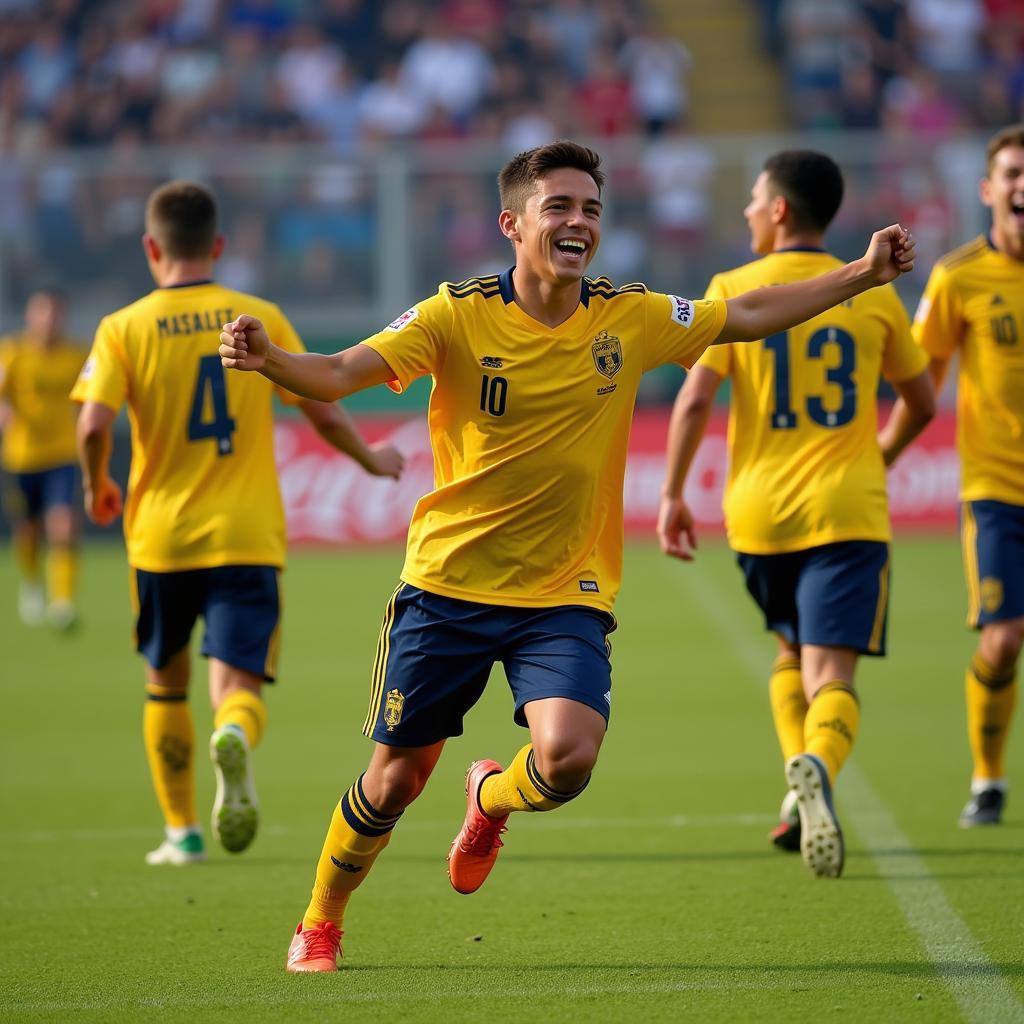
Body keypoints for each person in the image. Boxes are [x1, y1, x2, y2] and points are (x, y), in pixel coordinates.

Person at [217, 140, 916, 970]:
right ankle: (320, 918)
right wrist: (271, 363)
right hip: (447, 589)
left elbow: (750, 317)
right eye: (560, 207)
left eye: (590, 207)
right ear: (513, 224)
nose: (579, 221)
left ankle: (491, 796)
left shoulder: (631, 314)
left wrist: (862, 276)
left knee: (569, 758)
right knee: (394, 783)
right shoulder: (453, 315)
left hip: (563, 593)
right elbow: (337, 372)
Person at [71, 181, 405, 867]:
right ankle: (234, 733)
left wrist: (95, 481)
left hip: (159, 536)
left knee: (164, 681)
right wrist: (370, 460)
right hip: (247, 532)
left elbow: (91, 424)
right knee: (239, 689)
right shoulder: (259, 316)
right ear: (218, 245)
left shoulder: (123, 327)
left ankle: (181, 833)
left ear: (150, 247)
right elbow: (322, 406)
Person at [656, 150, 935, 880]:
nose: (747, 210)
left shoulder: (732, 287)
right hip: (846, 507)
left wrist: (672, 492)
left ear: (779, 210)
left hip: (759, 512)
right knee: (832, 672)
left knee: (788, 653)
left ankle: (794, 790)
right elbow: (923, 400)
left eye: (753, 198)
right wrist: (882, 454)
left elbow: (693, 399)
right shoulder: (873, 289)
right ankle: (816, 764)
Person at [888, 124, 1024, 828]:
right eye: (1013, 173)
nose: (1022, 186)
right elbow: (920, 378)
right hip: (999, 489)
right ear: (990, 188)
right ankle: (989, 778)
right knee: (1002, 642)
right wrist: (879, 458)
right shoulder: (961, 276)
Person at [0, 289, 87, 630]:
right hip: (21, 458)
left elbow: (89, 396)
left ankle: (63, 601)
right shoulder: (13, 353)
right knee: (28, 530)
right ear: (30, 316)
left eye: (54, 312)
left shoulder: (75, 355)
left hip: (61, 455)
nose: (48, 320)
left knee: (62, 523)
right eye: (42, 312)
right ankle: (32, 582)